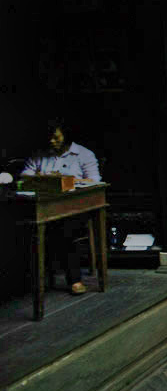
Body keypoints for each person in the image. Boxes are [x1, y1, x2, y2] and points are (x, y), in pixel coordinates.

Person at [21, 119, 102, 295]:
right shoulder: (40, 154)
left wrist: (66, 181)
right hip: (44, 207)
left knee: (66, 228)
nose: (52, 141)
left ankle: (74, 279)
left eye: (56, 138)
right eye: (50, 138)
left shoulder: (83, 154)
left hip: (75, 207)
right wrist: (43, 178)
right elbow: (25, 177)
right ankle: (28, 281)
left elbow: (95, 181)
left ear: (66, 137)